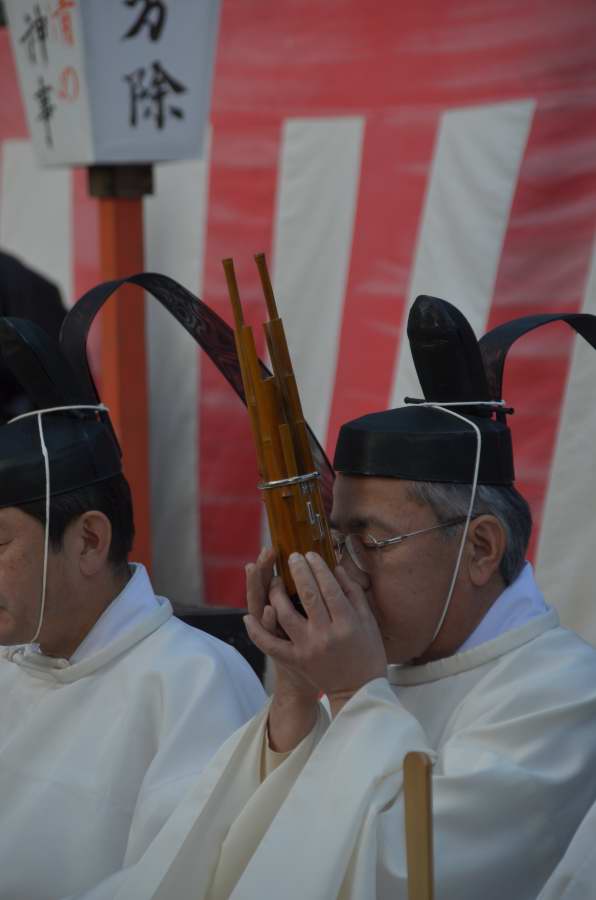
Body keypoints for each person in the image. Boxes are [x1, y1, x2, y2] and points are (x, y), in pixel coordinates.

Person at [103, 296, 596, 900]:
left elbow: (405, 875)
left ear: (481, 549)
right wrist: (293, 696)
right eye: (337, 540)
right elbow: (233, 866)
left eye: (372, 542)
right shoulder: (370, 662)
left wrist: (354, 694)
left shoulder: (562, 695)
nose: (347, 576)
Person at [0, 303, 265, 900]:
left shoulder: (196, 684)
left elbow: (182, 881)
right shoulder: (10, 657)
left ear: (90, 539)